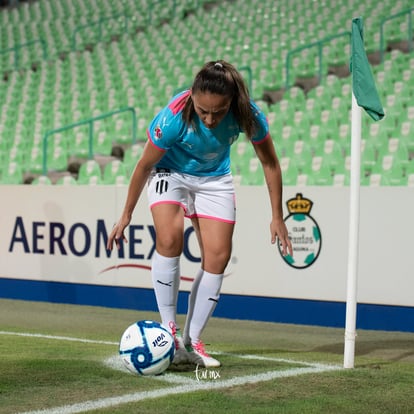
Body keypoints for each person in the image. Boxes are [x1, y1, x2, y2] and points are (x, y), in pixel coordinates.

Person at [107, 60, 293, 368]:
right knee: (169, 238)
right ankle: (169, 334)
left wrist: (277, 215)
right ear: (193, 95)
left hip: (215, 179)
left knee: (218, 257)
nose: (209, 119)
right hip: (171, 171)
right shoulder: (173, 118)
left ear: (232, 102)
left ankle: (192, 342)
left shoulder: (249, 115)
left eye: (217, 113)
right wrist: (126, 214)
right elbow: (144, 165)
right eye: (202, 110)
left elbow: (270, 163)